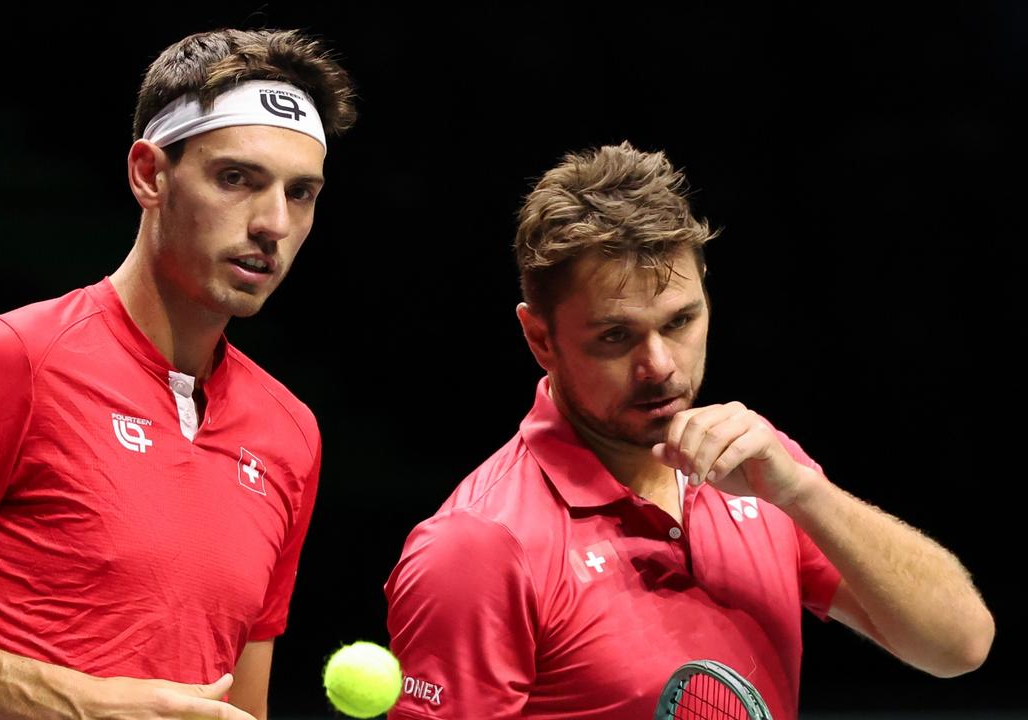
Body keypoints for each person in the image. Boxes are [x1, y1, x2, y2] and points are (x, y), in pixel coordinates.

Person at [0, 28, 356, 720]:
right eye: (237, 178)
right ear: (150, 174)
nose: (273, 223)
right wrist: (83, 704)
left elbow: (242, 705)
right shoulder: (14, 359)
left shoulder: (290, 432)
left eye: (301, 194)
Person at [383, 142, 993, 720]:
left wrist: (803, 493)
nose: (661, 366)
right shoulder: (481, 545)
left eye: (680, 321)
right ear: (540, 339)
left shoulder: (759, 471)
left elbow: (958, 646)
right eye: (615, 336)